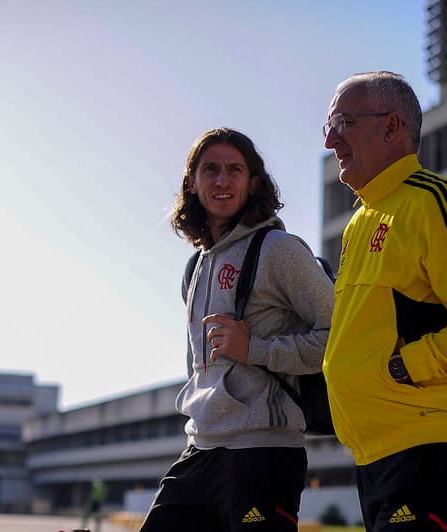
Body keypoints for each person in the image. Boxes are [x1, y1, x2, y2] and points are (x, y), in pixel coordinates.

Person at [321, 71, 447, 531]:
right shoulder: (359, 224)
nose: (332, 139)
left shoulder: (434, 201)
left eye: (343, 122)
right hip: (379, 454)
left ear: (391, 127)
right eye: (328, 127)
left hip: (427, 444)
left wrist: (405, 367)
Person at [139, 127, 334, 532]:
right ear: (191, 183)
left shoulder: (279, 250)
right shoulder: (197, 266)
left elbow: (340, 337)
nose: (222, 181)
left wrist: (255, 349)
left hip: (263, 452)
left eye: (234, 169)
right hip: (201, 447)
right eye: (210, 170)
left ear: (253, 182)